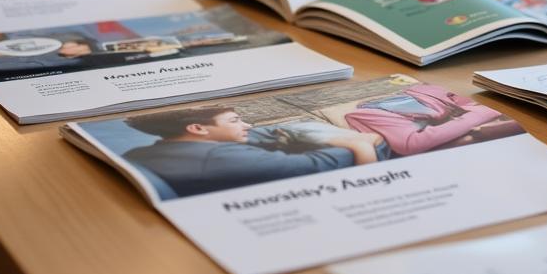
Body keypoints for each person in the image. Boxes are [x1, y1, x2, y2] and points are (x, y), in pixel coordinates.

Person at [123, 105, 385, 198]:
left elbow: (269, 133)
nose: (246, 125)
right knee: (381, 143)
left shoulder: (154, 149)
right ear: (198, 128)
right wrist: (361, 143)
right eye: (235, 120)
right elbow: (320, 164)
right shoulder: (220, 158)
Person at [342, 83, 523, 156]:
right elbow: (412, 143)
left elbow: (470, 102)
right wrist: (479, 114)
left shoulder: (428, 91)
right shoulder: (368, 113)